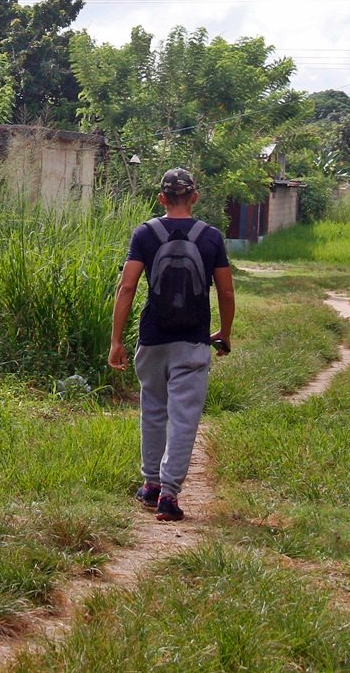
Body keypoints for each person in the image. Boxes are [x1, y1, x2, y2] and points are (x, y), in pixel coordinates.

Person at [107, 167, 234, 522]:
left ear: (161, 198)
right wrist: (224, 331)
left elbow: (127, 288)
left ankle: (150, 485)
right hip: (192, 341)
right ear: (194, 197)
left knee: (153, 410)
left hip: (152, 339)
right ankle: (169, 495)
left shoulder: (145, 234)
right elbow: (225, 289)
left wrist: (116, 340)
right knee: (183, 419)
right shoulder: (211, 237)